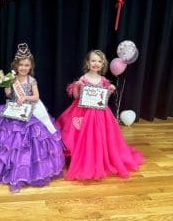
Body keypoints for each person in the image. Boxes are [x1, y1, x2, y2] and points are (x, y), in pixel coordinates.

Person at [0, 43, 65, 192]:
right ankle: (11, 170)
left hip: (30, 112)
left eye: (26, 65)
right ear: (16, 65)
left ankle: (30, 172)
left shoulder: (32, 80)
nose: (23, 68)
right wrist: (6, 87)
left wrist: (26, 97)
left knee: (32, 141)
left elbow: (36, 96)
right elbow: (9, 95)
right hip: (14, 113)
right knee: (11, 143)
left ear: (31, 66)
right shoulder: (12, 79)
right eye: (21, 65)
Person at [56, 49, 144, 180]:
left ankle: (99, 158)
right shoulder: (83, 78)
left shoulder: (103, 80)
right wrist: (77, 86)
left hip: (100, 114)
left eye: (99, 61)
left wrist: (110, 90)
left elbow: (103, 99)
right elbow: (76, 97)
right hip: (82, 112)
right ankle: (84, 158)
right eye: (93, 60)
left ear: (103, 64)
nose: (96, 63)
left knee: (100, 136)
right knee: (82, 136)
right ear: (88, 62)